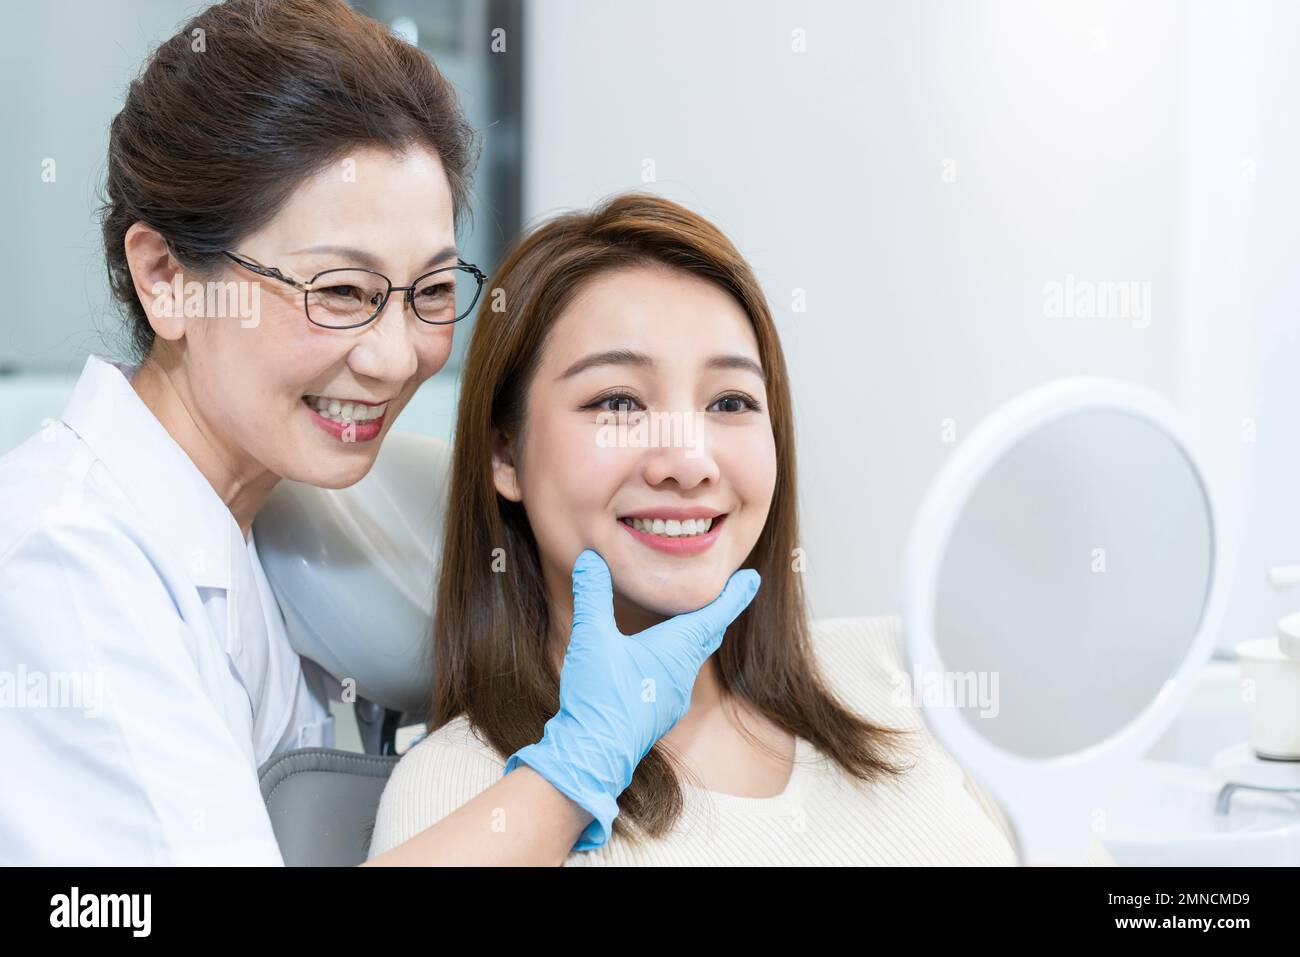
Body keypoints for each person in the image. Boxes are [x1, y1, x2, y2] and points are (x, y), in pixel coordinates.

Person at [0, 0, 755, 867]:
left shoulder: (287, 508)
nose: (397, 358)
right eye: (342, 294)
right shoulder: (60, 566)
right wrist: (572, 772)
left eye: (432, 293)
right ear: (167, 276)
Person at [368, 192, 1053, 865]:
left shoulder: (903, 676)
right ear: (505, 453)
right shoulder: (461, 791)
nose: (689, 462)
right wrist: (576, 769)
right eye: (617, 401)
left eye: (730, 401)